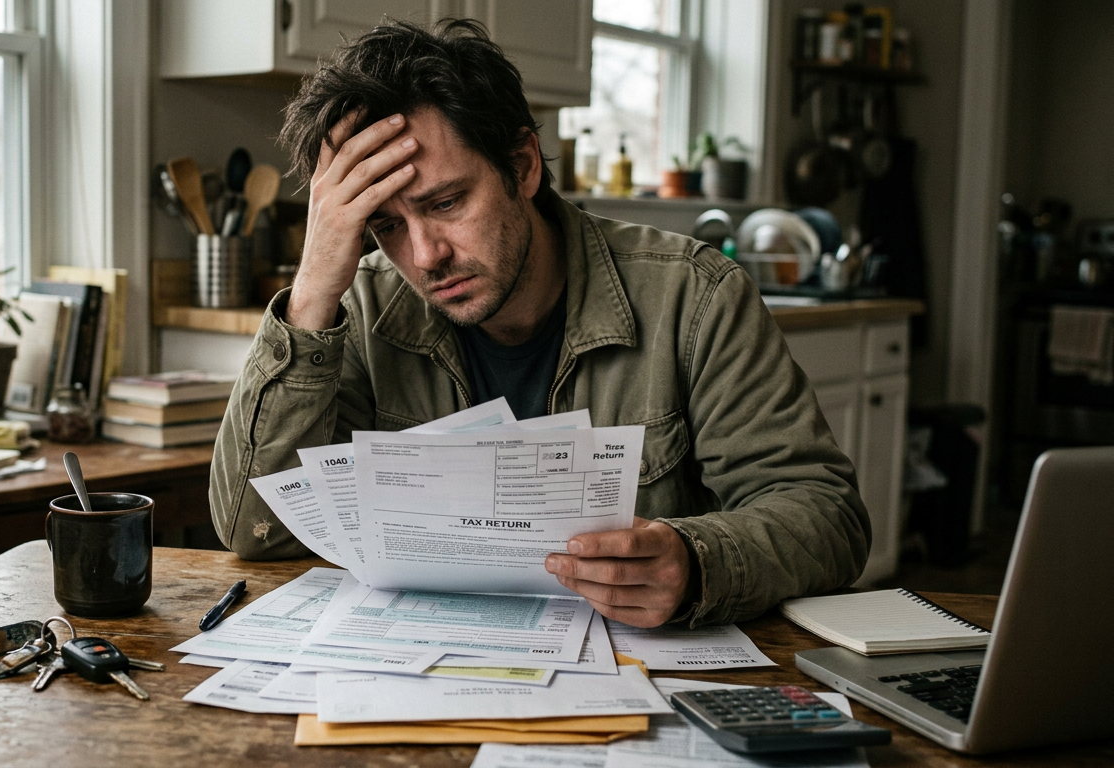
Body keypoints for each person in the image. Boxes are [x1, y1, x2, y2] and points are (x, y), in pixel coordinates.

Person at [209, 19, 869, 628]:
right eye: (386, 226)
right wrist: (315, 286)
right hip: (423, 675)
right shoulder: (357, 307)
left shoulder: (693, 295)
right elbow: (251, 530)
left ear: (522, 166)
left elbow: (825, 514)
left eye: (446, 201)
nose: (425, 254)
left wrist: (695, 562)